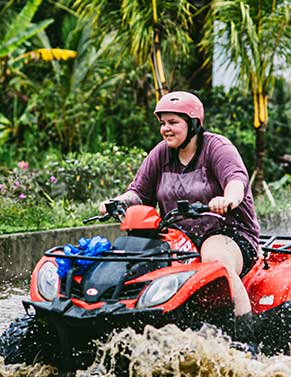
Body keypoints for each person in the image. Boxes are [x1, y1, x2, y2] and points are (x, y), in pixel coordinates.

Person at [100, 91, 260, 343]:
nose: (166, 129)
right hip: (178, 239)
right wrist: (118, 202)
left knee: (215, 261)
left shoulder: (217, 148)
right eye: (163, 123)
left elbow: (236, 181)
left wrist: (228, 199)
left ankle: (244, 338)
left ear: (193, 123)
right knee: (133, 263)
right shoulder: (161, 154)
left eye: (173, 122)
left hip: (228, 233)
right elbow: (138, 192)